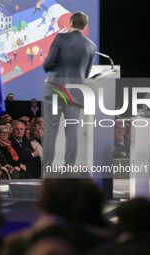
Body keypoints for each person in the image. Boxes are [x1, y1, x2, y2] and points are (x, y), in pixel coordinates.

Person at [42, 12, 96, 167]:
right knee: (72, 133)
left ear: (70, 22)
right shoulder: (91, 46)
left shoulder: (60, 38)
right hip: (75, 93)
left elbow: (47, 64)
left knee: (51, 132)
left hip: (55, 89)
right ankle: (69, 168)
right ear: (85, 26)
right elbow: (85, 73)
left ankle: (47, 169)